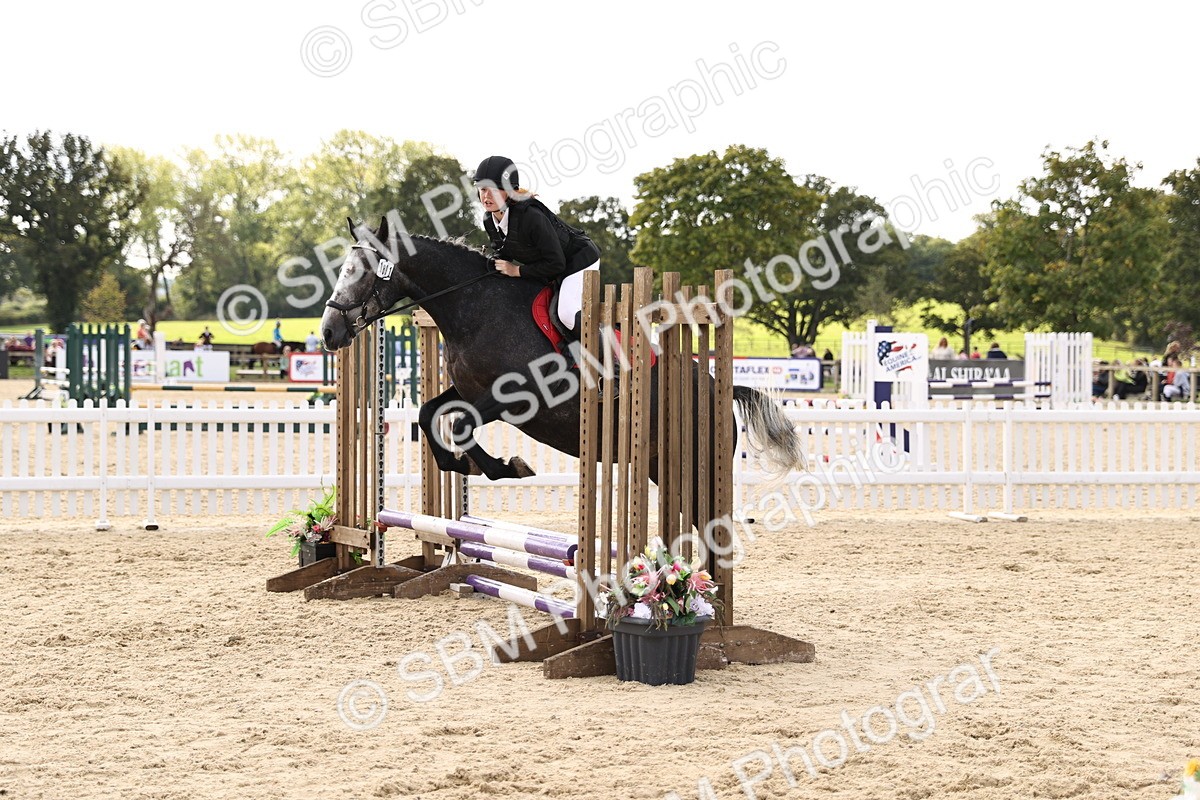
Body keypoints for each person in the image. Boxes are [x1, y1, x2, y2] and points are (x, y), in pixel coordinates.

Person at [473, 155, 601, 347]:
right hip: (549, 266)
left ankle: (609, 358)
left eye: (493, 190)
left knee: (565, 313)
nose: (486, 196)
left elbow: (557, 263)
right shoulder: (488, 219)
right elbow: (504, 254)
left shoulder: (531, 216)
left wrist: (516, 271)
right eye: (483, 190)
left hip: (579, 260)